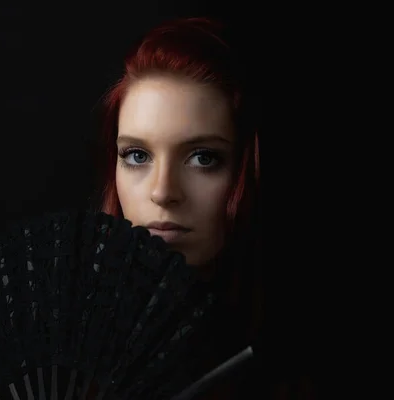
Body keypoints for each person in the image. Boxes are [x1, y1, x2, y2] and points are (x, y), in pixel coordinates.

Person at [88, 17, 274, 399]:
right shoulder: (65, 343)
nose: (162, 192)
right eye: (137, 155)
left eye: (203, 158)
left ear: (247, 166)